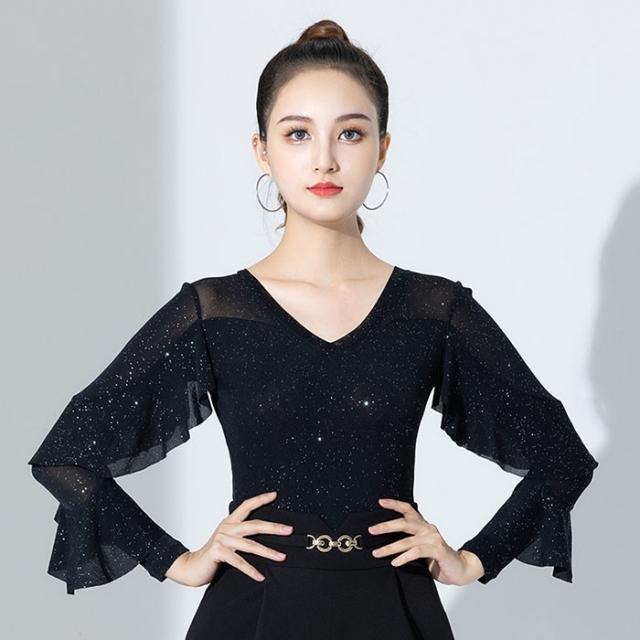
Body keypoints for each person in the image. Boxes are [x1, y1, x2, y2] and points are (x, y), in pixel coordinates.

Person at [28, 18, 599, 640]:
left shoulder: (434, 310)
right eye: (298, 133)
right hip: (251, 612)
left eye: (350, 133)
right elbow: (67, 454)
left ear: (382, 149)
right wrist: (177, 560)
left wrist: (472, 559)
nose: (325, 159)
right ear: (262, 151)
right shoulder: (214, 312)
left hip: (395, 609)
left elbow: (561, 457)